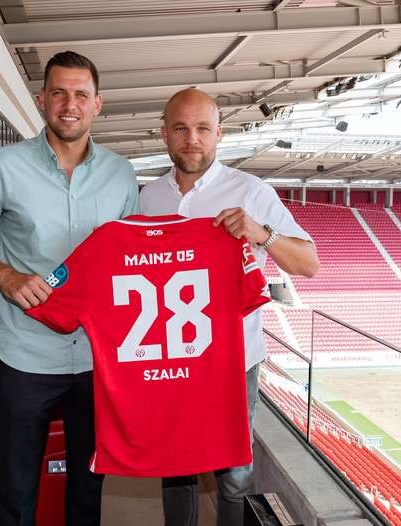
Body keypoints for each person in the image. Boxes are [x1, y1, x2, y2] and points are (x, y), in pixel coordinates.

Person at [0, 51, 138, 526]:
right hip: (25, 355)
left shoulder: (121, 173)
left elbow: (128, 259)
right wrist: (3, 274)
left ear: (97, 104)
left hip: (95, 358)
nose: (70, 105)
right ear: (42, 99)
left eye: (81, 95)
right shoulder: (1, 165)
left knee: (88, 489)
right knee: (16, 490)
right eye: (59, 93)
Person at [140, 88, 319, 526]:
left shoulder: (250, 191)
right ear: (164, 134)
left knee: (234, 475)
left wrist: (262, 234)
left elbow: (309, 263)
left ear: (219, 134)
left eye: (203, 129)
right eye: (181, 129)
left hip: (233, 362)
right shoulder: (146, 198)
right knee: (174, 467)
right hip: (170, 360)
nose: (192, 139)